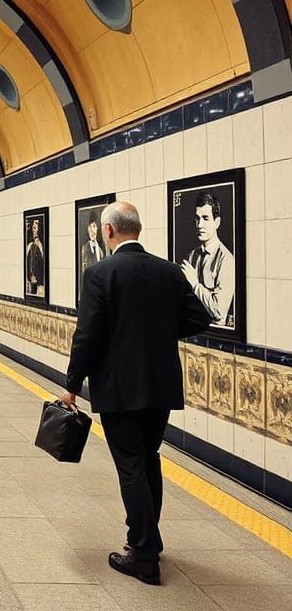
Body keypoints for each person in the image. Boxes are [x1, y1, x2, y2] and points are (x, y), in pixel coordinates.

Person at [60, 202, 211, 586]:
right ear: (137, 229)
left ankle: (143, 555)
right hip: (160, 385)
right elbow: (200, 317)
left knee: (130, 465)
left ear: (108, 231)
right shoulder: (168, 271)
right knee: (148, 459)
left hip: (119, 387)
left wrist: (72, 385)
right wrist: (157, 331)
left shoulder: (99, 274)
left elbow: (87, 335)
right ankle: (150, 541)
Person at [180, 192, 235, 327]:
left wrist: (195, 285)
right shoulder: (193, 255)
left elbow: (219, 311)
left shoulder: (226, 259)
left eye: (205, 218)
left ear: (217, 222)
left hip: (216, 334)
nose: (200, 225)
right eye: (197, 218)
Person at [25, 217, 44, 296]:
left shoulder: (39, 246)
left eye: (37, 224)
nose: (34, 227)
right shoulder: (30, 245)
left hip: (40, 285)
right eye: (33, 224)